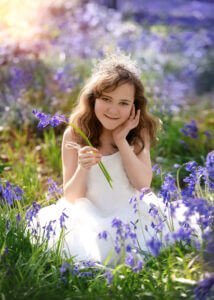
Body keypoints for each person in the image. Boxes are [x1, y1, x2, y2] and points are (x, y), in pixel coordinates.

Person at [29, 52, 201, 267]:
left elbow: (143, 184)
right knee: (85, 248)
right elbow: (71, 195)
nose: (113, 110)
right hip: (89, 217)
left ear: (134, 107)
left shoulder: (139, 133)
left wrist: (121, 141)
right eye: (106, 99)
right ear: (93, 99)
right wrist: (83, 167)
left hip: (130, 213)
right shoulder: (74, 135)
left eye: (123, 103)